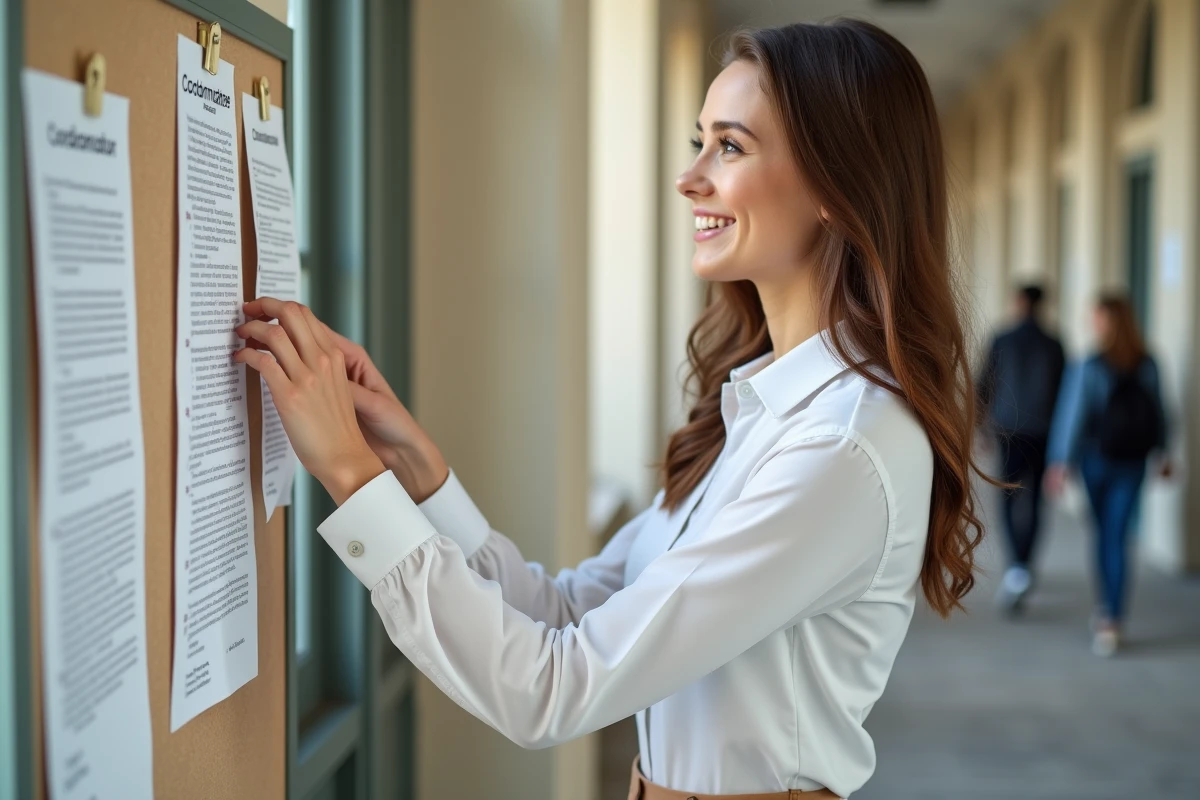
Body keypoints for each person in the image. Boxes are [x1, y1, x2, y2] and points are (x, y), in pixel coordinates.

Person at [232, 20, 989, 799]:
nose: (690, 177)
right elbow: (566, 615)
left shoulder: (841, 448)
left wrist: (354, 480)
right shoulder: (762, 409)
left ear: (839, 186)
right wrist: (414, 471)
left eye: (729, 147)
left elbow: (550, 689)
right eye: (700, 141)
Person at [1046, 294, 1170, 658]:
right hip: (1133, 460)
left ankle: (1107, 613)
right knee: (1117, 536)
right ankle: (1112, 617)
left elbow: (1073, 416)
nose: (1092, 323)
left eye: (1096, 318)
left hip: (1096, 459)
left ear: (1108, 322)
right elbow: (1161, 412)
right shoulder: (1148, 364)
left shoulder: (1090, 364)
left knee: (1104, 536)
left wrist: (1059, 462)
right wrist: (1163, 453)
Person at [977, 285, 1065, 614]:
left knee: (1008, 496)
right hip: (1044, 431)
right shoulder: (1054, 343)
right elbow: (1064, 393)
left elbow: (984, 382)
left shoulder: (1003, 338)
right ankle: (1024, 563)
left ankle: (1016, 564)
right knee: (1037, 500)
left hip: (1008, 431)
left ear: (1019, 302)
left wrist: (980, 427)